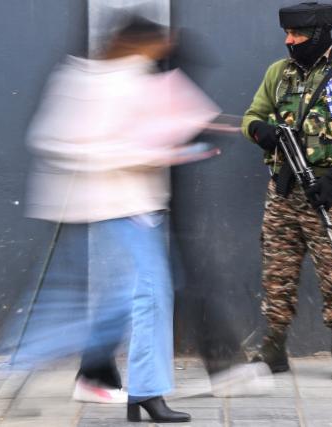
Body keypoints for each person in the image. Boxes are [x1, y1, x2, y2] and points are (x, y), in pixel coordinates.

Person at [25, 15, 219, 422]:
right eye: (154, 47)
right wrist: (152, 153)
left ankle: (111, 382)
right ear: (138, 44)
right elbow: (67, 143)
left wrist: (182, 143)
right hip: (116, 207)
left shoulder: (128, 78)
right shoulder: (97, 81)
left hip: (138, 208)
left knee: (126, 298)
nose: (159, 55)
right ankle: (142, 391)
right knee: (147, 295)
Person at [241, 2, 332, 381]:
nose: (289, 41)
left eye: (297, 35)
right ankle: (274, 346)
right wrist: (258, 131)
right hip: (283, 190)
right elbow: (252, 115)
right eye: (287, 34)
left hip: (326, 191)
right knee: (276, 272)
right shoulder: (278, 74)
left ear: (318, 35)